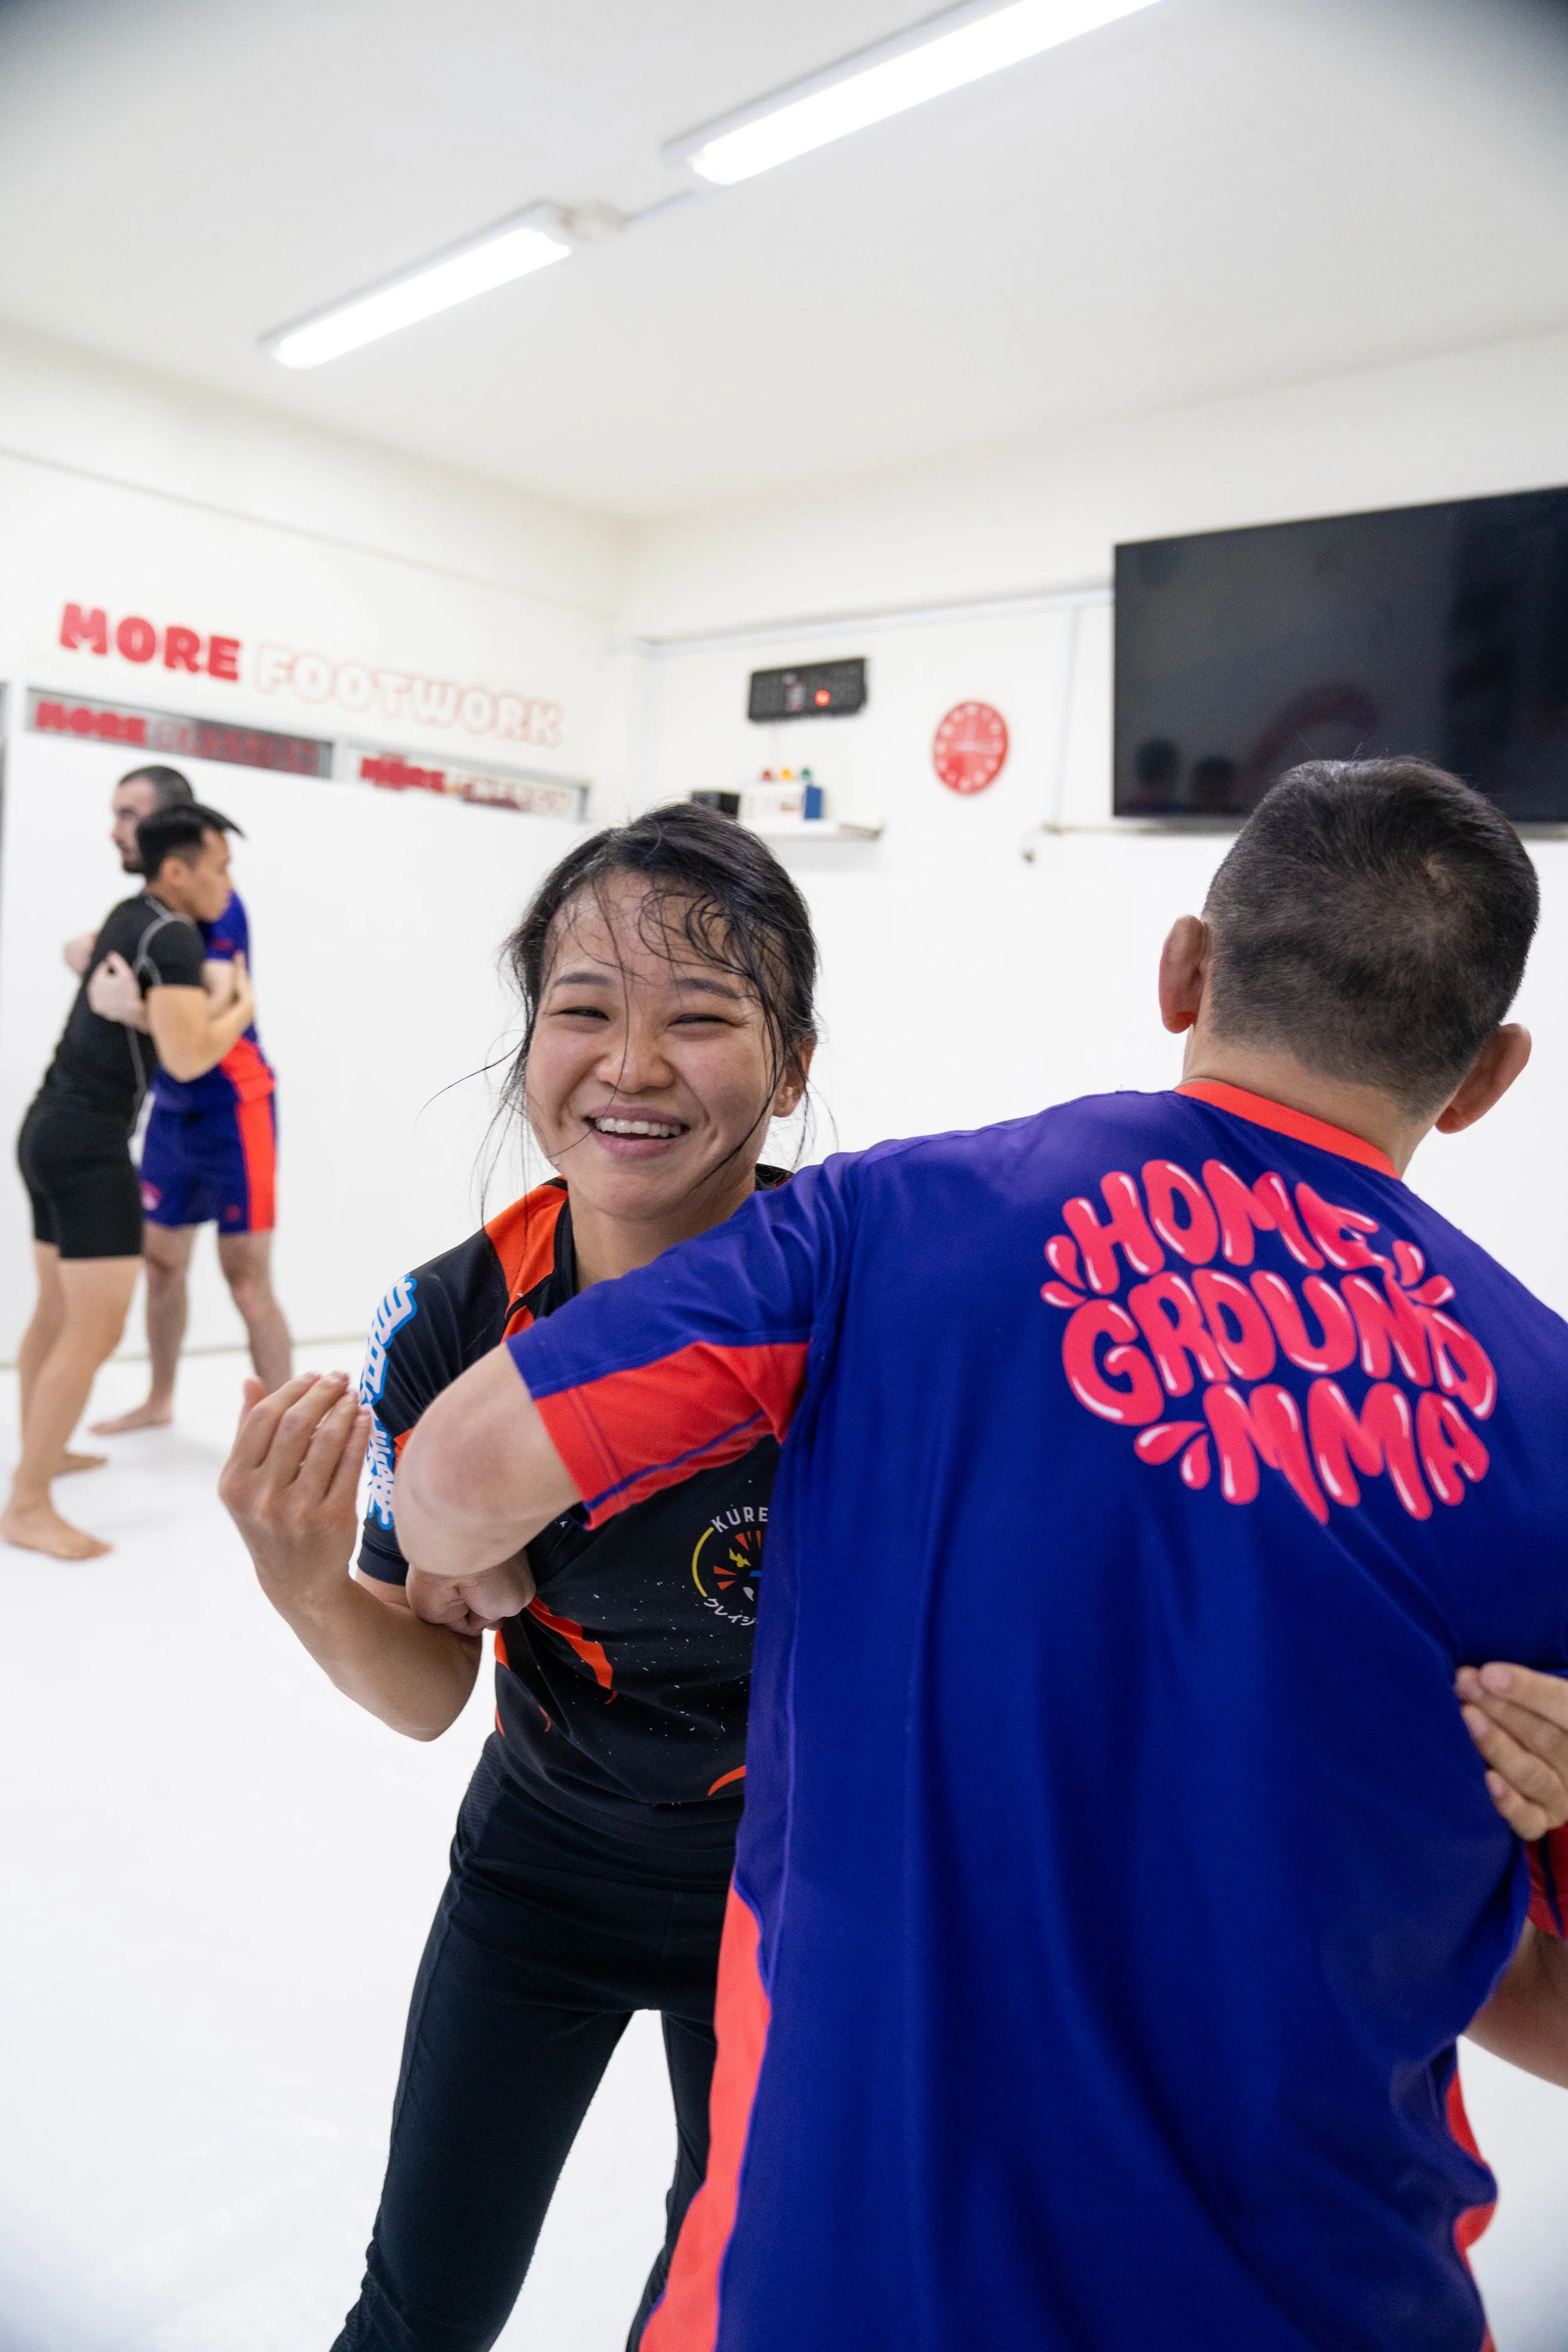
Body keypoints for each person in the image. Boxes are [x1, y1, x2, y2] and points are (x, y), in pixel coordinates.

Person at [382, 758, 1568, 2349]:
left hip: (837, 2267)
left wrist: (469, 1551)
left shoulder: (889, 1225)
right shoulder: (1548, 1419)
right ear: (1489, 1071)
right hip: (1325, 2290)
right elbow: (1540, 2006)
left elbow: (455, 1477)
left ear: (1187, 970)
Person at [220, 805, 817, 2349]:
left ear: (793, 1062)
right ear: (528, 1033)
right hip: (537, 1870)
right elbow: (428, 1691)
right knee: (420, 2308)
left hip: (792, 1900)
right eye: (583, 1008)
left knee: (721, 2310)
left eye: (701, 1015)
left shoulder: (863, 1297)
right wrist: (304, 1580)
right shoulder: (451, 1313)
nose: (630, 1063)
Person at [8, 804, 257, 1560]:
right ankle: (26, 1504)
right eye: (218, 865)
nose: (227, 881)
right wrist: (239, 1008)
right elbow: (188, 1058)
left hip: (48, 1129)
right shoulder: (175, 936)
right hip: (89, 1148)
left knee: (56, 1313)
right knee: (96, 1328)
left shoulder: (132, 914)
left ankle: (41, 1460)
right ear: (177, 871)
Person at [72, 763, 290, 1433]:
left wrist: (131, 1004)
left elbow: (207, 1015)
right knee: (163, 1264)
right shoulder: (149, 913)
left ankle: (288, 1424)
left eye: (130, 815)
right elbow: (86, 953)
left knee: (246, 1278)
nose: (118, 830)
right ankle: (160, 1398)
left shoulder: (215, 900)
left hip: (235, 1106)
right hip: (173, 1109)